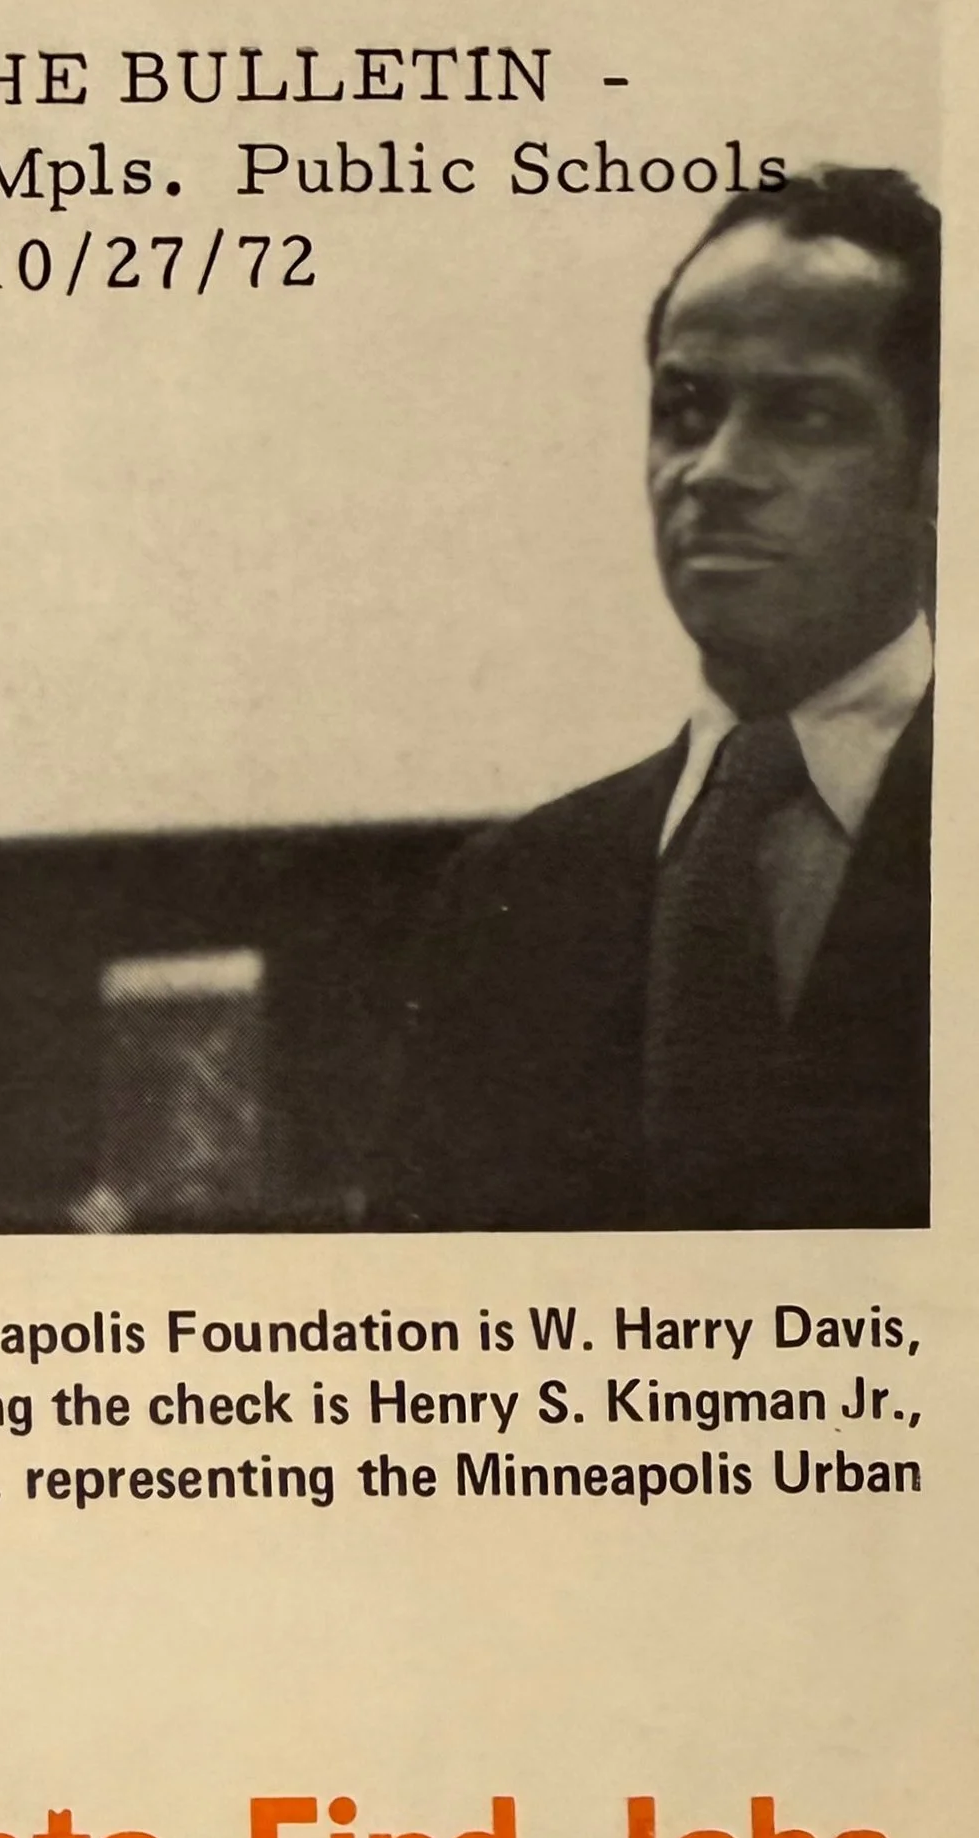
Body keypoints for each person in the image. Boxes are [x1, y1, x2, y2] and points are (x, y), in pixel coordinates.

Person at [380, 167, 937, 1230]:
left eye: (803, 416)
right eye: (684, 411)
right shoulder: (504, 900)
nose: (713, 470)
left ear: (936, 464)